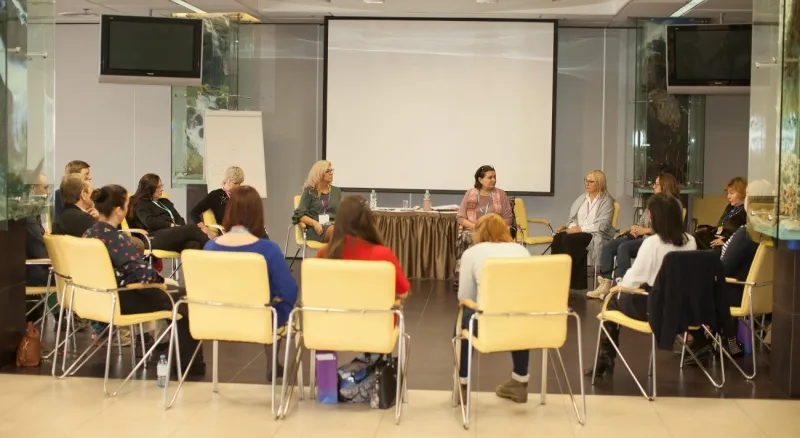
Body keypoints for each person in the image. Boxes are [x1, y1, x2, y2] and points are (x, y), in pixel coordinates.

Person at [84, 185, 205, 375]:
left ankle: (161, 346)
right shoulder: (116, 239)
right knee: (183, 300)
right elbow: (143, 274)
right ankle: (190, 366)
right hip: (122, 298)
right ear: (119, 210)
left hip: (96, 297)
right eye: (126, 205)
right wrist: (160, 281)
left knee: (171, 292)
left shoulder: (89, 234)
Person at [587, 194, 696, 377]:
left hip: (653, 307)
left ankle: (605, 360)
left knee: (611, 301)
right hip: (681, 307)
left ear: (653, 216)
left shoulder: (652, 243)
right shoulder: (690, 241)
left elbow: (633, 280)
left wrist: (616, 287)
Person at [204, 185, 297, 381]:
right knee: (279, 301)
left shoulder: (210, 247)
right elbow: (288, 290)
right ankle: (272, 361)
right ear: (257, 214)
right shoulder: (268, 249)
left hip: (216, 318)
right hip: (260, 319)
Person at [455, 214, 532, 403]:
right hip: (523, 326)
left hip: (486, 325)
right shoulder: (522, 251)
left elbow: (464, 296)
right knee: (519, 313)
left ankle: (462, 384)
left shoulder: (472, 253)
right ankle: (520, 381)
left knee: (464, 316)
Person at [588, 173, 681, 299]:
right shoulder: (653, 202)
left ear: (664, 186)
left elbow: (669, 229)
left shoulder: (673, 204)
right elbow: (642, 221)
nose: (653, 186)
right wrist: (636, 228)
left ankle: (624, 287)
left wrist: (645, 230)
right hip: (642, 236)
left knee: (624, 248)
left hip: (656, 240)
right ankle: (606, 282)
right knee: (610, 245)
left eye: (656, 184)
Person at [317, 195, 409, 301]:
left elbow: (316, 288)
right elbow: (403, 293)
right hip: (374, 311)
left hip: (333, 310)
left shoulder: (324, 253)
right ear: (369, 220)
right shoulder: (383, 255)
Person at [551, 170, 615, 291]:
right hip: (578, 232)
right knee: (558, 238)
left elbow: (603, 225)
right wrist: (573, 227)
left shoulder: (607, 201)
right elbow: (573, 218)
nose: (587, 183)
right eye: (586, 180)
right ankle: (557, 277)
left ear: (599, 183)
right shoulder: (582, 198)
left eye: (591, 181)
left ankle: (573, 282)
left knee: (571, 240)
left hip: (595, 233)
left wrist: (580, 229)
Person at [454, 165, 513, 290]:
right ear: (480, 180)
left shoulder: (501, 194)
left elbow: (508, 218)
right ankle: (463, 278)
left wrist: (492, 228)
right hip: (474, 229)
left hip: (494, 231)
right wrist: (476, 227)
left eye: (495, 177)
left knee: (493, 239)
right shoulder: (470, 193)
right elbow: (460, 217)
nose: (494, 180)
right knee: (465, 236)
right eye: (490, 177)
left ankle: (492, 278)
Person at [128, 174, 212, 252]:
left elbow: (178, 218)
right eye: (158, 187)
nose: (162, 189)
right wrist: (170, 225)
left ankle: (209, 260)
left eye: (161, 186)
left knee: (193, 244)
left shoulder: (165, 202)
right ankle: (215, 250)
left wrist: (181, 228)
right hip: (152, 237)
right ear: (149, 189)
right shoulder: (140, 203)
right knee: (193, 228)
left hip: (171, 235)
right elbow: (149, 222)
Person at [292, 160, 341, 243]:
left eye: (331, 170)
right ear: (319, 174)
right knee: (336, 232)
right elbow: (300, 215)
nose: (331, 173)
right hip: (315, 229)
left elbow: (340, 213)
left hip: (333, 225)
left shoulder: (336, 191)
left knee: (349, 231)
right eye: (327, 171)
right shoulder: (309, 191)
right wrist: (314, 223)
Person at [694, 177, 747, 251]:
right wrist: (714, 231)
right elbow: (721, 224)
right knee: (696, 236)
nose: (728, 196)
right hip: (718, 234)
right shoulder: (730, 207)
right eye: (727, 193)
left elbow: (744, 235)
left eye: (731, 193)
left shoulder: (746, 211)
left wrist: (726, 240)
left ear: (742, 193)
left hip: (730, 242)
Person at [189, 166, 245, 231]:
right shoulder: (215, 195)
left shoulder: (241, 196)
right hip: (225, 233)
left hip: (242, 232)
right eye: (235, 183)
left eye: (240, 183)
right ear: (227, 180)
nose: (238, 186)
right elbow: (194, 213)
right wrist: (205, 230)